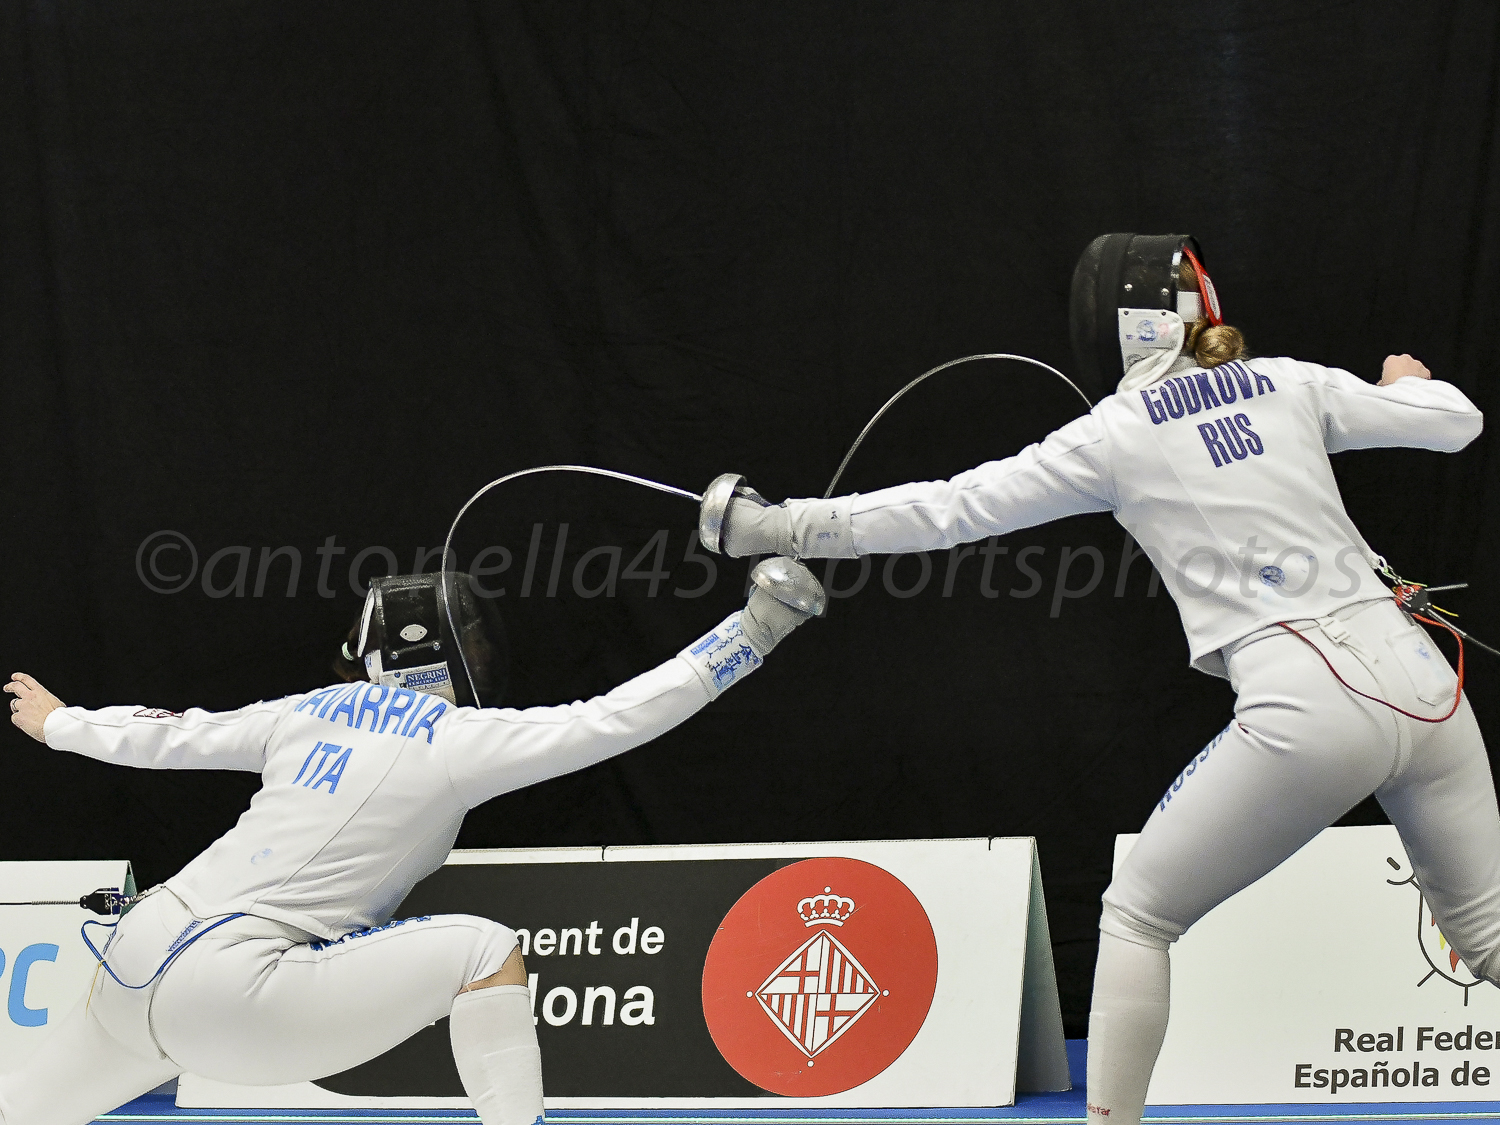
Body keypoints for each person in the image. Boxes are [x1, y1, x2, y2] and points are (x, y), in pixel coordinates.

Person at [705, 236, 1489, 1125]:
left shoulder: (1114, 435)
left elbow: (946, 507)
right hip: (1425, 686)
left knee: (1138, 916)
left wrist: (777, 527)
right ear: (1192, 306)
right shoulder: (1290, 380)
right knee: (1492, 938)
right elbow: (1457, 420)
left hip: (1306, 705)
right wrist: (1403, 387)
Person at [2, 559, 826, 1125]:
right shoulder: (456, 737)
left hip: (132, 953)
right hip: (235, 994)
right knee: (484, 951)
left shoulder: (304, 710)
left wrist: (63, 722)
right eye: (469, 642)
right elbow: (620, 715)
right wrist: (752, 632)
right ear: (443, 655)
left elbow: (176, 732)